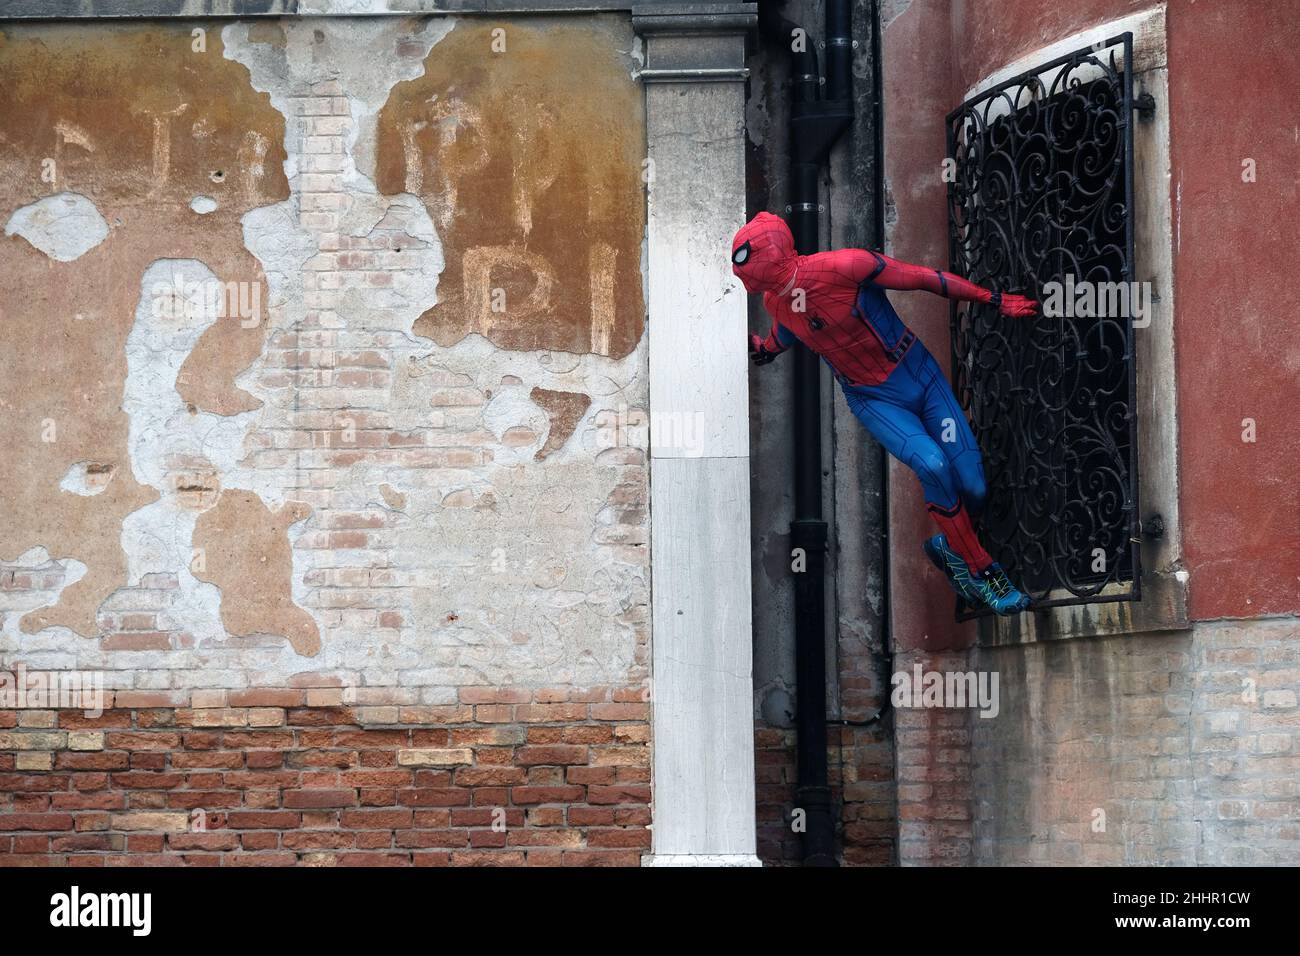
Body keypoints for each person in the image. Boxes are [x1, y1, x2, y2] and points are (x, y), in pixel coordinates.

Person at [733, 211, 1037, 615]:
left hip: (920, 377)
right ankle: (986, 574)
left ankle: (950, 547)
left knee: (973, 486)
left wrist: (995, 300)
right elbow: (788, 329)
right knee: (932, 464)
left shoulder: (847, 266)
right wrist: (766, 350)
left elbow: (924, 279)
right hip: (873, 399)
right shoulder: (777, 301)